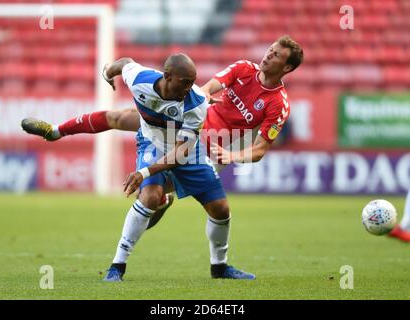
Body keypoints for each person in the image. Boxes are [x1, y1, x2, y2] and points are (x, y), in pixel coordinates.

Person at [22, 35, 304, 228]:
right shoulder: (244, 68)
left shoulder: (278, 104)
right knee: (119, 116)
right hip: (190, 119)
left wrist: (230, 155)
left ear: (287, 67)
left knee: (151, 195)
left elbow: (259, 151)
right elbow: (209, 87)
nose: (268, 55)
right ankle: (55, 131)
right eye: (269, 50)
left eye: (277, 55)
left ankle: (163, 202)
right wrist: (200, 100)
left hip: (208, 147)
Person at [35, 53, 254, 281]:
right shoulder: (141, 79)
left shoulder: (196, 104)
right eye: (185, 82)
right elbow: (125, 63)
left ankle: (219, 268)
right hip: (151, 144)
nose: (190, 88)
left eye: (192, 82)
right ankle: (117, 266)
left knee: (221, 209)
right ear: (167, 77)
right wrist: (108, 71)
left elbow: (180, 154)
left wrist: (144, 172)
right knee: (148, 196)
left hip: (186, 150)